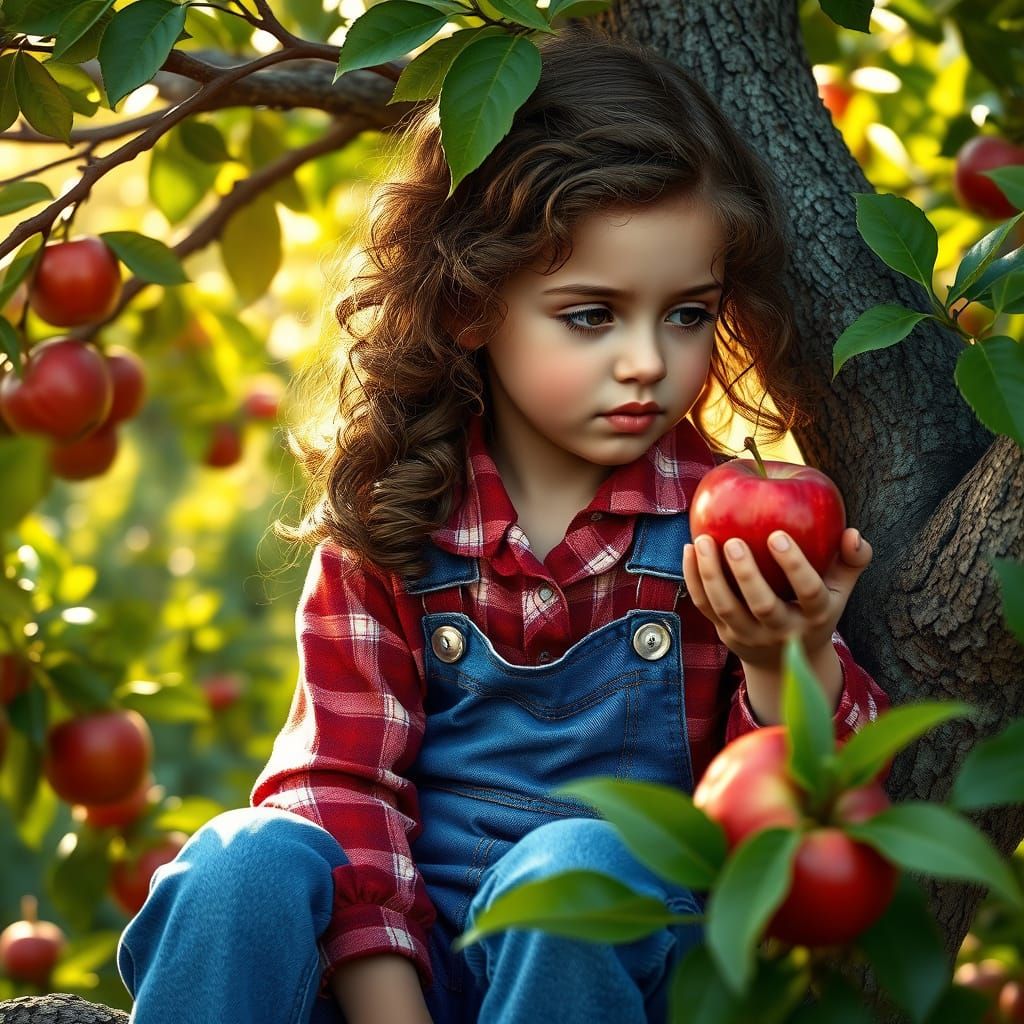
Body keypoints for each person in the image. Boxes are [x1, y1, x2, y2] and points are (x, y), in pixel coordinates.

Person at [115, 20, 889, 1024]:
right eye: (591, 314)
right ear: (472, 304)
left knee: (571, 868)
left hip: (602, 970)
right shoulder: (393, 518)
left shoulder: (722, 528)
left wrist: (788, 657)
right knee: (239, 860)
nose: (648, 360)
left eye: (687, 313)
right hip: (393, 975)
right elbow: (343, 786)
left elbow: (814, 819)